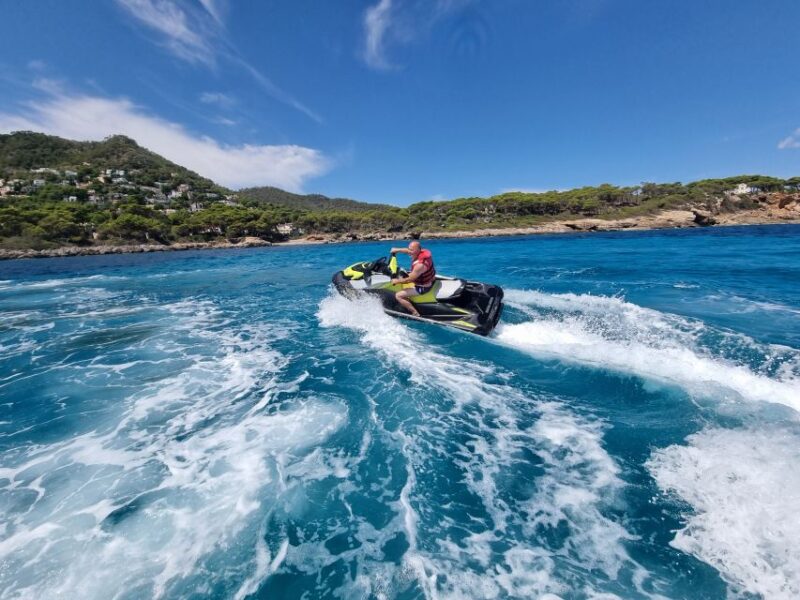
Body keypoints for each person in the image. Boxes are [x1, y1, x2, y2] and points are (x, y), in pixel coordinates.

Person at [389, 241, 436, 317]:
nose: (409, 252)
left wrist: (396, 281)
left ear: (418, 250)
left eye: (411, 250)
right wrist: (396, 250)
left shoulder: (420, 265)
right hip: (431, 279)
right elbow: (408, 251)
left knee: (398, 295)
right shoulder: (422, 252)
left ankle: (415, 313)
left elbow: (409, 279)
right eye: (409, 249)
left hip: (423, 288)